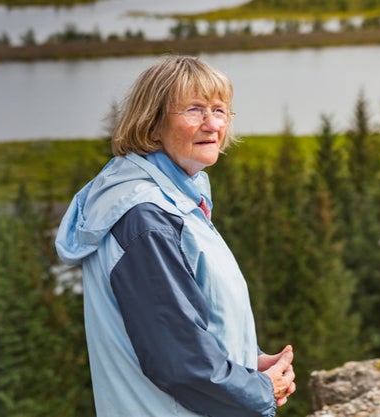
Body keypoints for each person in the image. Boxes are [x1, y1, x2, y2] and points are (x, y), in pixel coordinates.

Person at [55, 54, 296, 417]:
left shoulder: (177, 200)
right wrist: (259, 388)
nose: (212, 124)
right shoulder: (145, 217)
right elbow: (181, 362)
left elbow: (189, 324)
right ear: (151, 126)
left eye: (219, 110)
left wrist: (248, 362)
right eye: (194, 110)